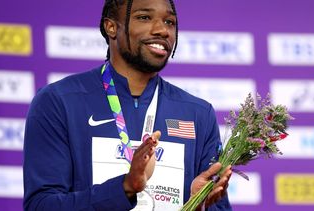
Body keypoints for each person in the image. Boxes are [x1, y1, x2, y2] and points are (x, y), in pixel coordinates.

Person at [23, 0, 233, 210]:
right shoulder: (59, 102)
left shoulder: (198, 114)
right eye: (144, 17)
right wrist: (125, 188)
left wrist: (198, 207)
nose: (162, 30)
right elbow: (41, 205)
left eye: (169, 22)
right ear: (111, 27)